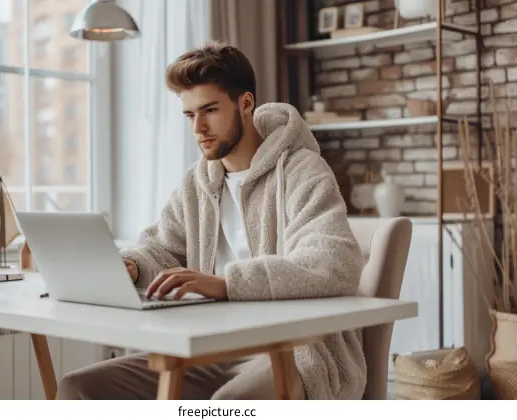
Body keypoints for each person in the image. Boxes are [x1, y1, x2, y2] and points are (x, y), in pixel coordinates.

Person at [56, 41, 367, 400]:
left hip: (290, 351)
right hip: (207, 345)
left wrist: (225, 283)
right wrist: (132, 266)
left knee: (226, 406)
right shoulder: (197, 181)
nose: (198, 128)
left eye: (209, 110)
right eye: (189, 115)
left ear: (246, 103)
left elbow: (335, 264)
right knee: (78, 388)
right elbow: (161, 246)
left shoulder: (302, 170)